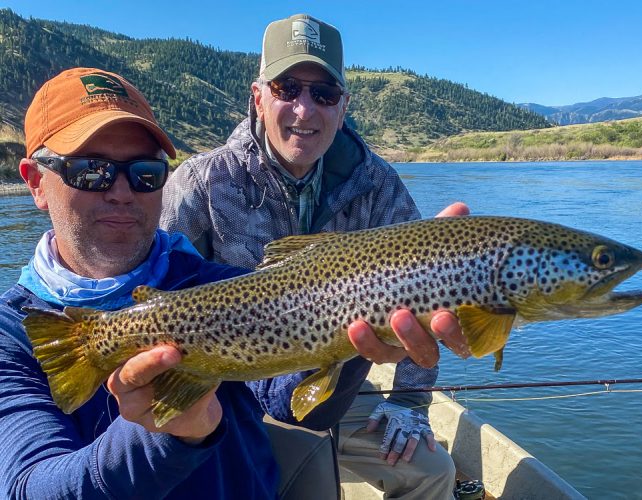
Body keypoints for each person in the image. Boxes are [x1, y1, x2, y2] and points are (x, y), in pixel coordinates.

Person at [0, 67, 458, 499]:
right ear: (36, 182)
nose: (121, 191)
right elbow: (28, 486)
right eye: (91, 170)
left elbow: (293, 405)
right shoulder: (15, 330)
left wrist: (362, 326)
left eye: (145, 173)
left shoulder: (217, 287)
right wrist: (166, 433)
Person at [161, 14, 470, 500]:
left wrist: (409, 401)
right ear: (259, 97)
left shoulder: (377, 185)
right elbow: (157, 281)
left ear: (343, 107)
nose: (305, 110)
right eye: (288, 89)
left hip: (337, 382)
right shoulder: (201, 182)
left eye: (323, 94)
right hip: (226, 385)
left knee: (431, 471)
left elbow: (427, 299)